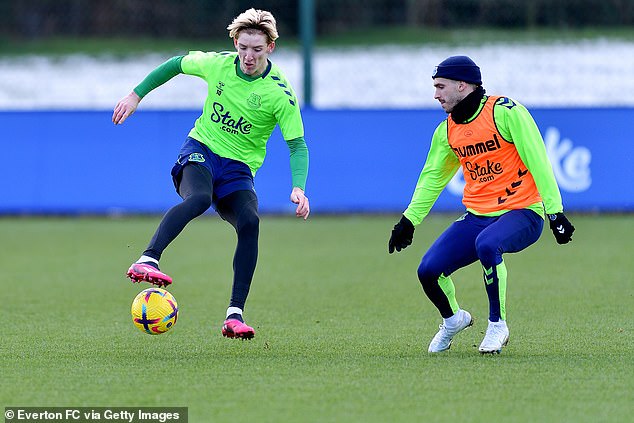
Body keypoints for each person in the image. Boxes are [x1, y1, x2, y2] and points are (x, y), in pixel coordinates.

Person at [112, 8, 310, 340]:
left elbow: (297, 146)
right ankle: (148, 258)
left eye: (257, 49)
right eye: (243, 47)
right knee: (200, 197)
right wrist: (135, 95)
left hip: (238, 169)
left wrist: (299, 188)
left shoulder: (279, 93)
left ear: (270, 48)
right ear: (235, 42)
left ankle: (235, 315)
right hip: (201, 149)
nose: (248, 56)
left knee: (250, 222)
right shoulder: (218, 64)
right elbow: (175, 64)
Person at [388, 56, 575, 354]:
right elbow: (432, 178)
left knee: (487, 244)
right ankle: (453, 321)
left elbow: (538, 160)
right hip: (478, 215)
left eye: (440, 86)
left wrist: (555, 212)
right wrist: (409, 221)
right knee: (428, 271)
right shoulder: (447, 131)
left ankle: (497, 325)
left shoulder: (506, 113)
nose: (435, 94)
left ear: (462, 85)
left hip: (523, 211)